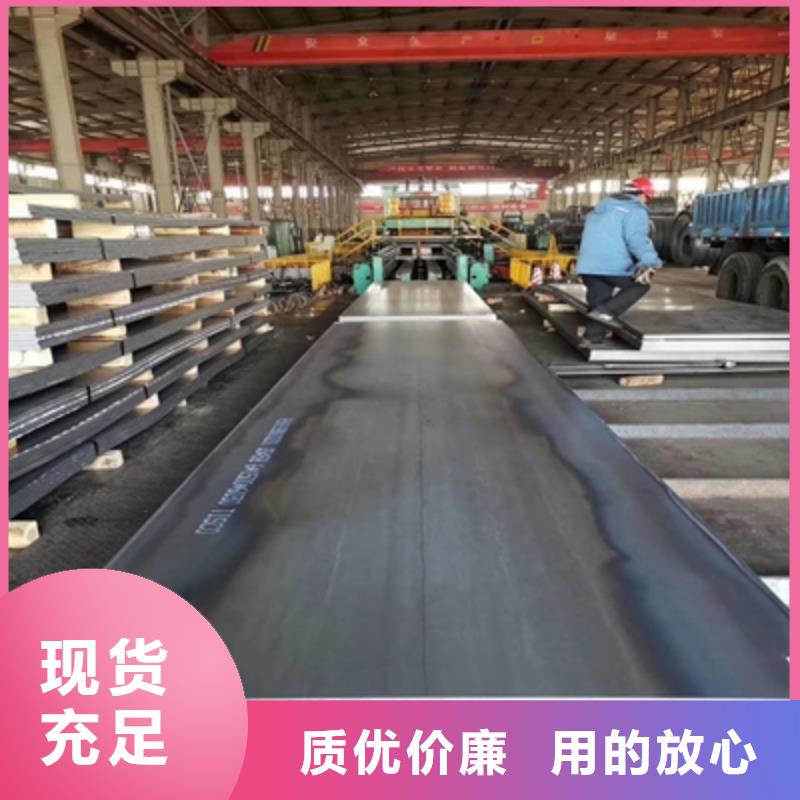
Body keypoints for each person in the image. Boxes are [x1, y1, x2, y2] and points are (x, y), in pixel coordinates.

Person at [576, 177, 663, 345]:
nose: (646, 202)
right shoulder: (635, 211)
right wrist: (652, 262)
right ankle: (605, 313)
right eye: (648, 198)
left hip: (588, 266)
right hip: (611, 265)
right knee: (641, 285)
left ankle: (591, 338)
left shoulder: (598, 210)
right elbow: (637, 240)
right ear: (642, 194)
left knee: (599, 299)